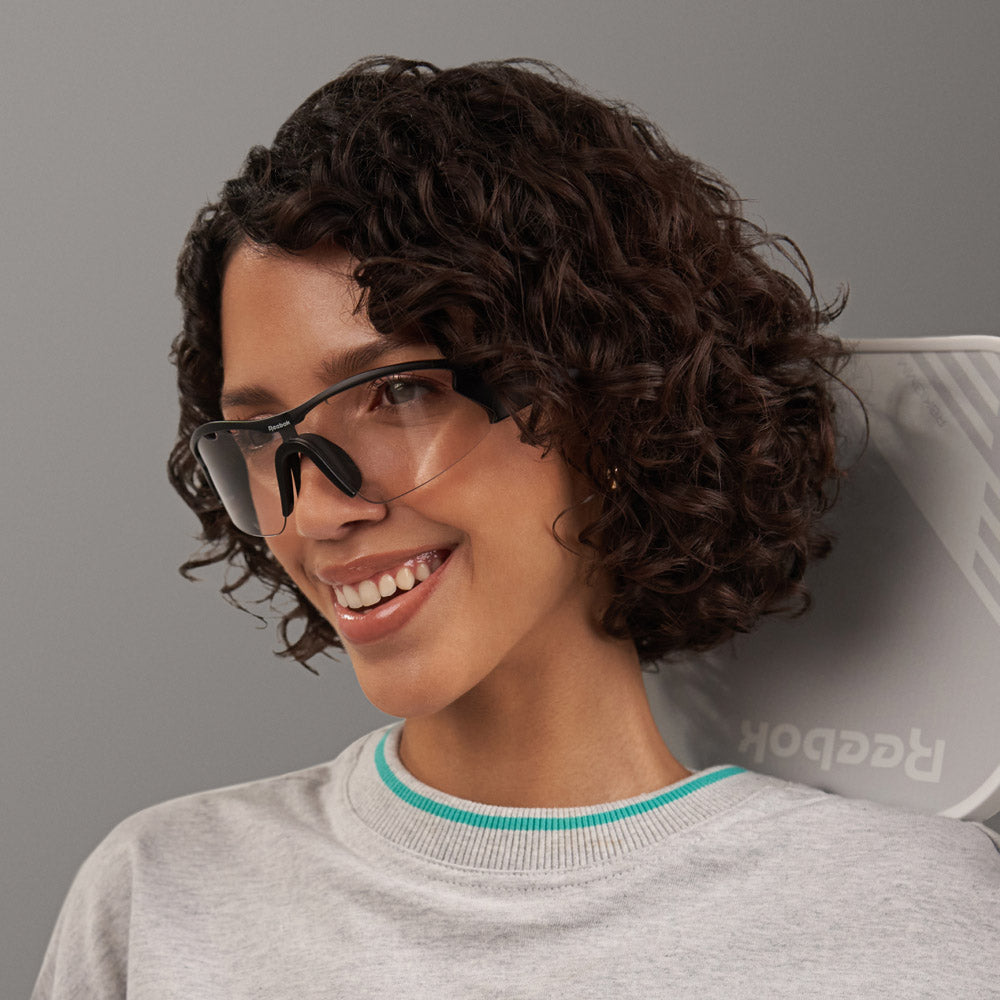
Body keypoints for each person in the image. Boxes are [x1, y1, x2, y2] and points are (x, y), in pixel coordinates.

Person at [34, 57, 998, 998]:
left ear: (608, 404)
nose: (318, 510)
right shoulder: (159, 899)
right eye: (262, 435)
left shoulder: (931, 917)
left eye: (397, 393)